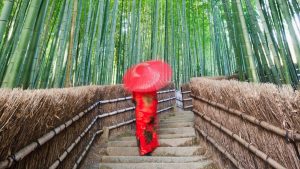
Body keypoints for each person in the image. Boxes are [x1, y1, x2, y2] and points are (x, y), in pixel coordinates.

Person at [132, 91, 159, 156]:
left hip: (140, 111)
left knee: (141, 128)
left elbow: (134, 99)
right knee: (149, 127)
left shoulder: (136, 85)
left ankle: (144, 149)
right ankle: (150, 146)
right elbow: (155, 99)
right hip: (150, 109)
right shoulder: (151, 85)